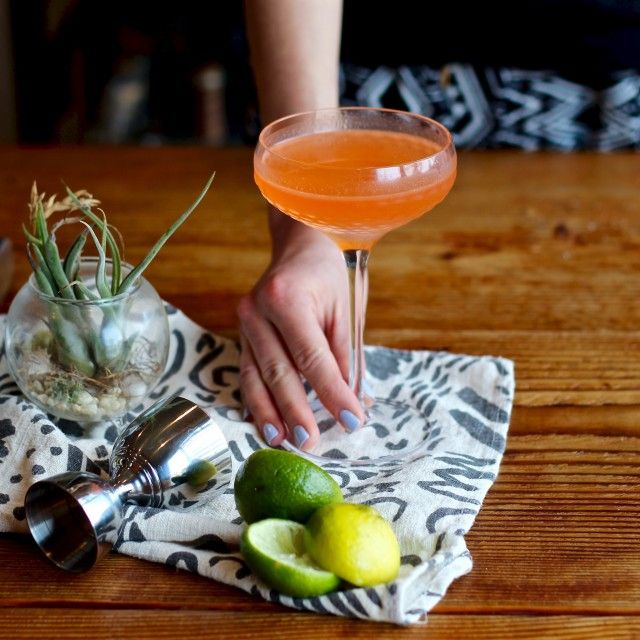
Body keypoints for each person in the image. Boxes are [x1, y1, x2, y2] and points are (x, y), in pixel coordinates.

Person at [239, 0, 640, 450]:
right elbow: (303, 153)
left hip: (599, 89)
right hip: (365, 80)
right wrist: (307, 233)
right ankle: (355, 402)